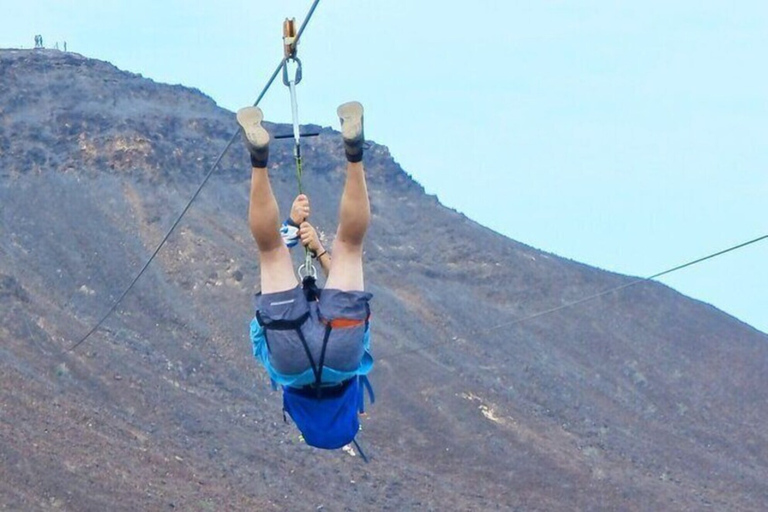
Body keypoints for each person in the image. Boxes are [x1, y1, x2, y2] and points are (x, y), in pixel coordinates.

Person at [237, 102, 374, 450]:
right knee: (270, 250)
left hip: (343, 347)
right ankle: (258, 161)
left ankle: (354, 155)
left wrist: (323, 253)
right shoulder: (281, 376)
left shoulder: (353, 369)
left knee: (351, 244)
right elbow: (258, 332)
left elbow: (360, 318)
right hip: (289, 352)